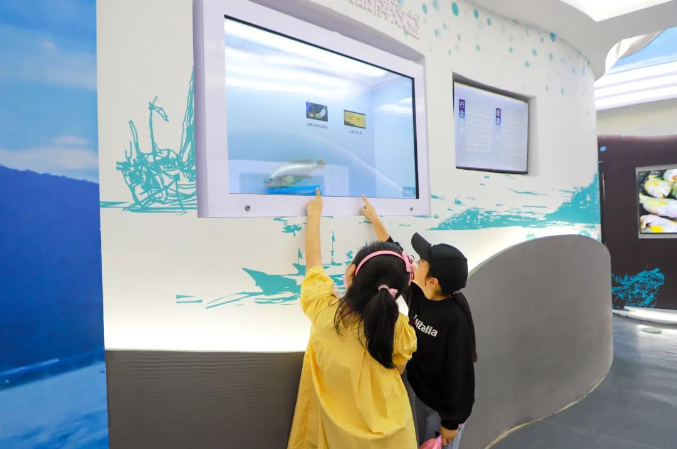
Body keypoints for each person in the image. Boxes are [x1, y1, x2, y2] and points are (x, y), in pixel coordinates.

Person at [287, 189, 418, 449]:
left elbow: (313, 264)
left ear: (350, 273)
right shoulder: (399, 328)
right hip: (395, 436)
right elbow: (398, 369)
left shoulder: (324, 311)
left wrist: (314, 214)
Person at [361, 195, 477, 449]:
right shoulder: (417, 293)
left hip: (444, 409)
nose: (413, 263)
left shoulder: (454, 317)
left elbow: (461, 376)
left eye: (421, 262)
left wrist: (451, 422)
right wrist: (374, 219)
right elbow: (396, 252)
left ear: (433, 281)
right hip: (422, 394)